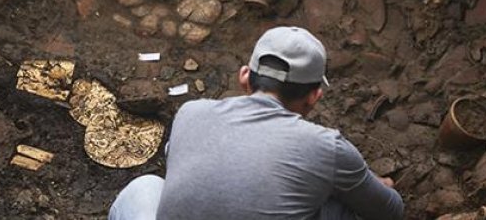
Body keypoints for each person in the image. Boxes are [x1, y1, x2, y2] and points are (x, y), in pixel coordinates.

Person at [109, 26, 404, 220]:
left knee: (146, 187)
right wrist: (366, 182)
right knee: (338, 207)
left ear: (244, 77)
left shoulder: (191, 112)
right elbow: (391, 211)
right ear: (314, 96)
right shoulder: (327, 147)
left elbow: (182, 171)